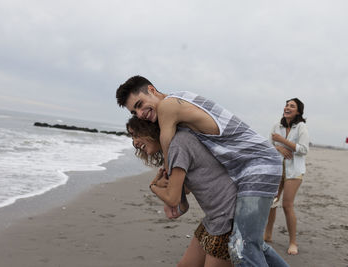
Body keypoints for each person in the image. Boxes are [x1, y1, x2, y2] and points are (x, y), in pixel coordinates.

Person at [116, 75, 289, 267]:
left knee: (244, 248)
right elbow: (185, 191)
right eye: (135, 111)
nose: (139, 113)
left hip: (258, 165)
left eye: (140, 104)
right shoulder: (181, 109)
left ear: (151, 90)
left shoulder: (168, 106)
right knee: (252, 244)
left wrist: (168, 170)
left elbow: (166, 139)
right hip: (249, 167)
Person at [126, 116, 237, 267]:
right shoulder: (176, 145)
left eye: (136, 134)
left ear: (149, 129)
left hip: (228, 216)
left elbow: (173, 200)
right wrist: (164, 185)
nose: (134, 142)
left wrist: (153, 187)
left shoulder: (178, 145)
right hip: (216, 216)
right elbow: (183, 199)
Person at [264, 98, 309, 255]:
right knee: (272, 202)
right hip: (276, 168)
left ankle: (293, 242)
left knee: (287, 205)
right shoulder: (277, 126)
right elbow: (268, 146)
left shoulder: (301, 127)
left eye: (292, 106)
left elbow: (304, 149)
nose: (287, 107)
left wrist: (282, 141)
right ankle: (267, 235)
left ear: (298, 111)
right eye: (287, 105)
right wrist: (278, 148)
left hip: (294, 171)